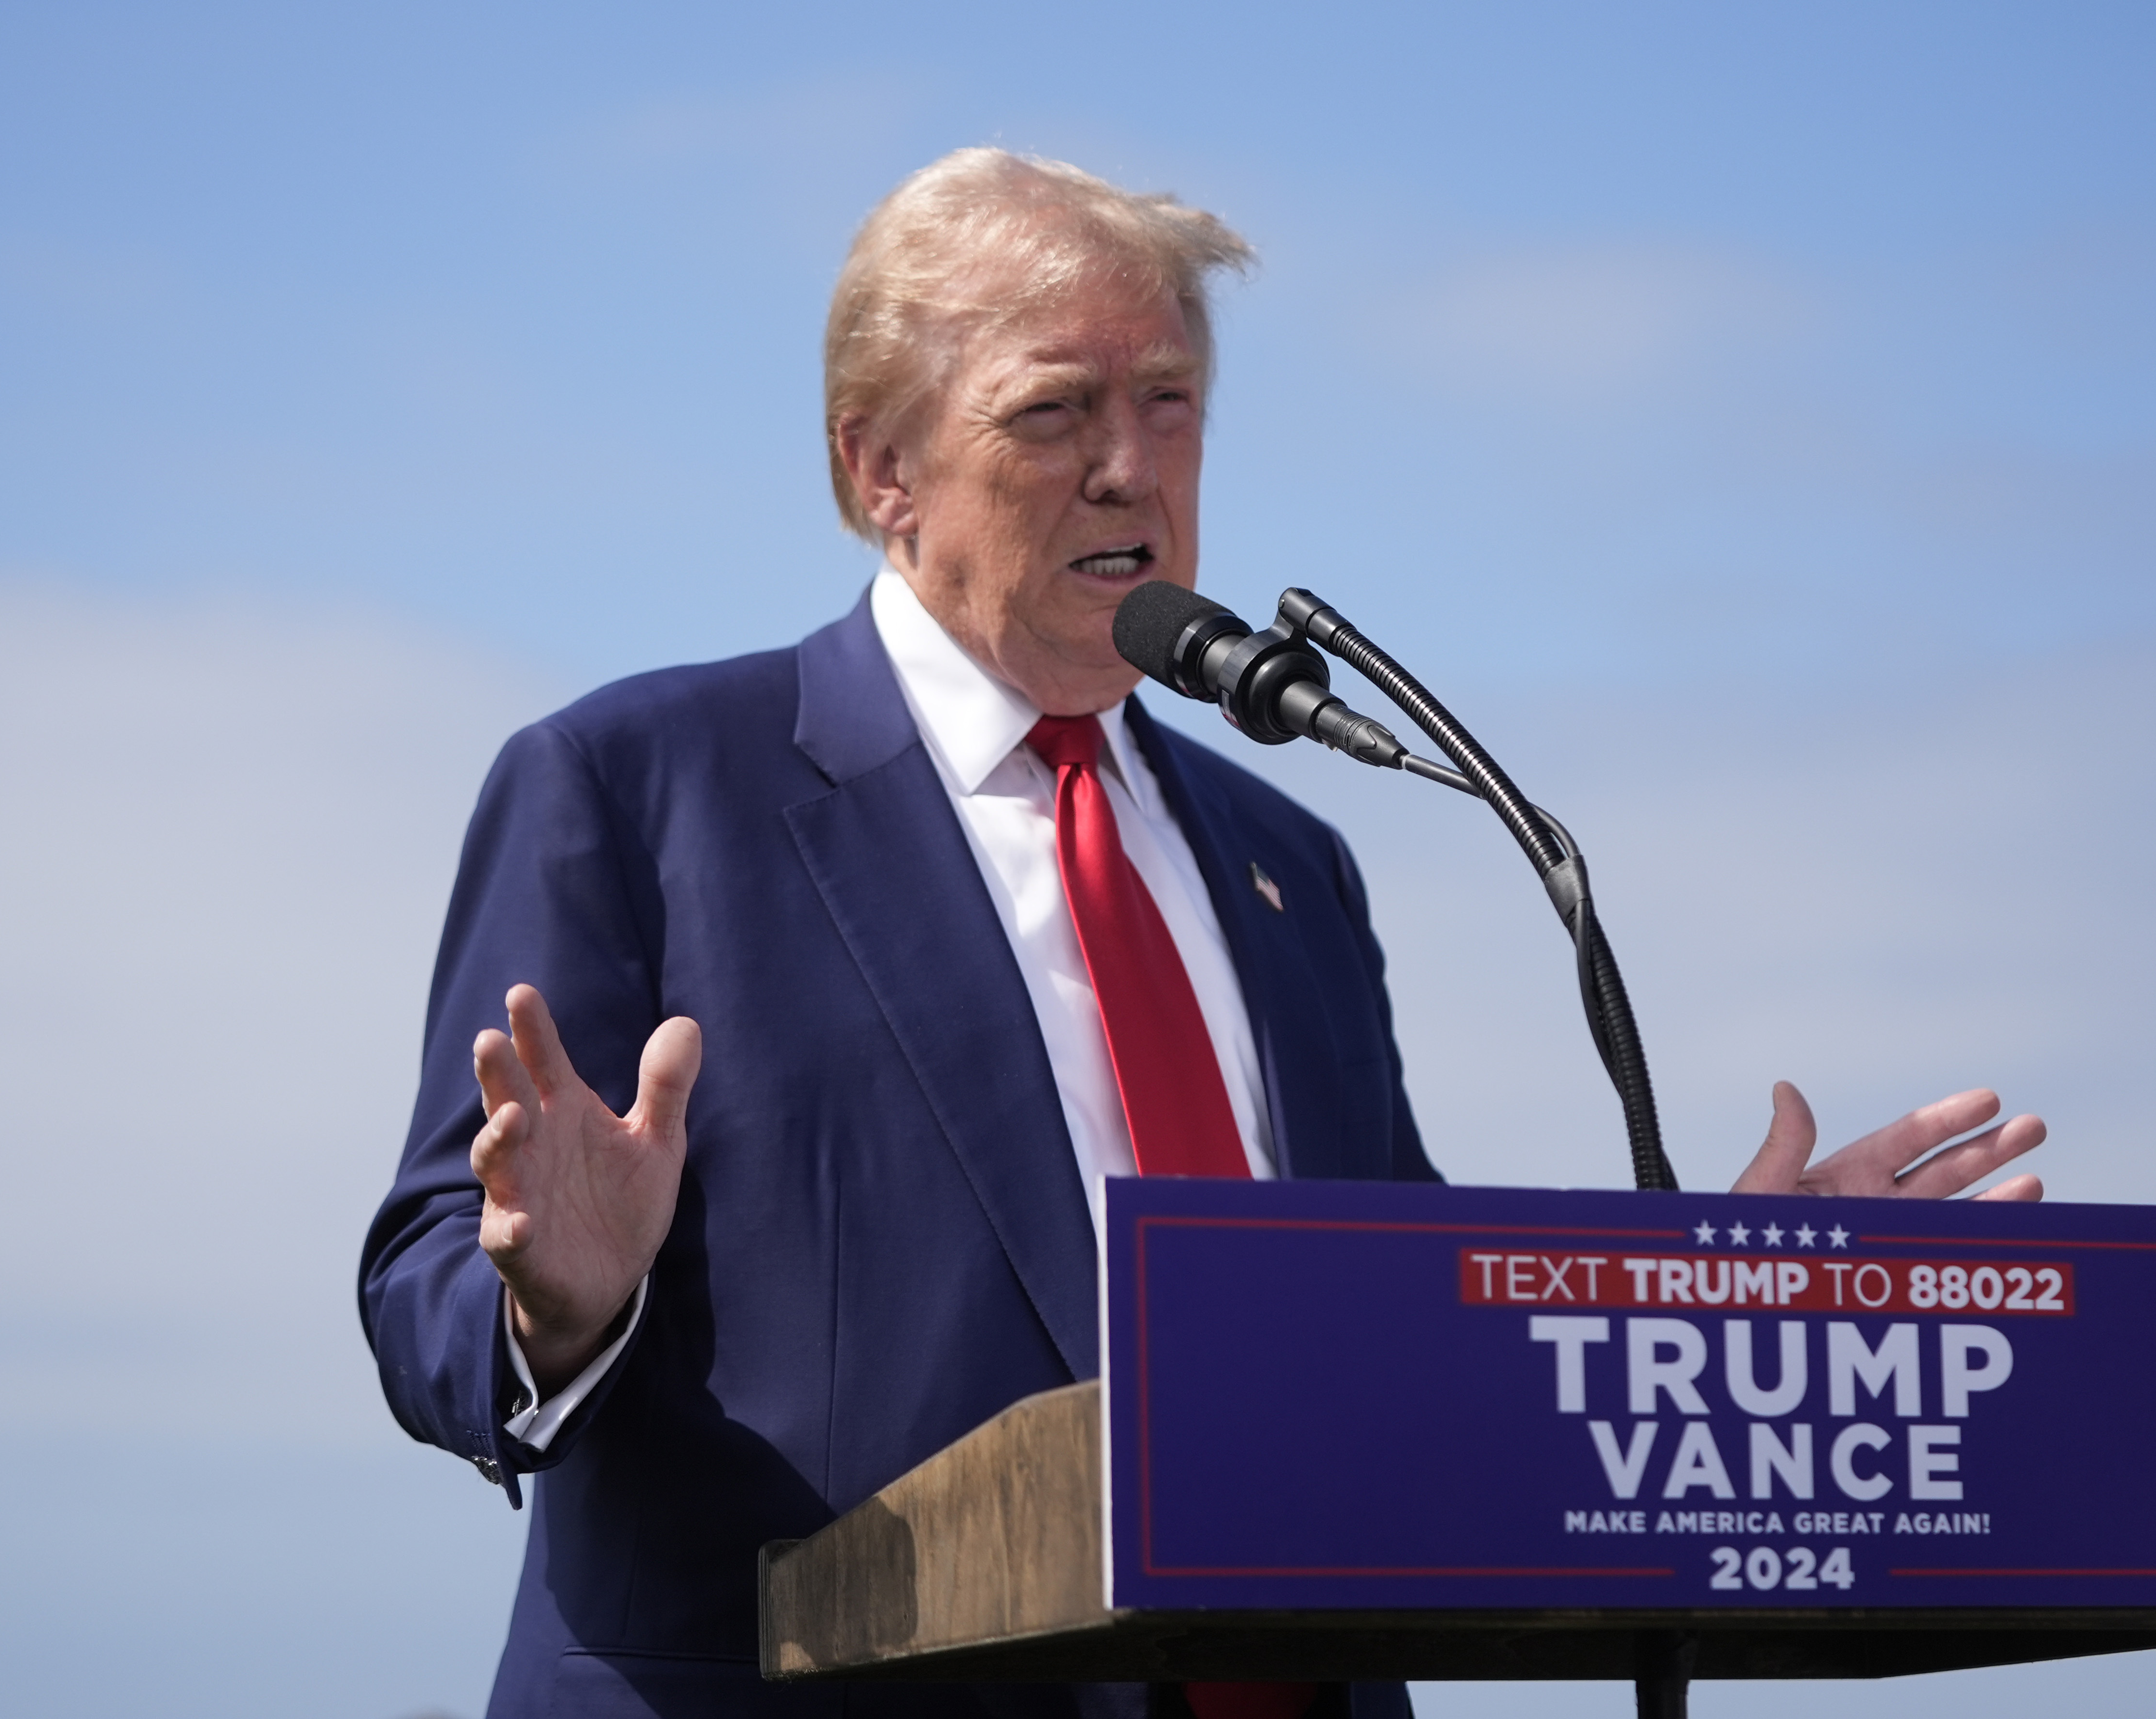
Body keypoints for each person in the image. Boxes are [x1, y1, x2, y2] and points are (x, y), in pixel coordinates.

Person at [359, 148, 2045, 1719]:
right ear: (881, 466)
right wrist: (552, 1311)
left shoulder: (1288, 861)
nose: (1129, 464)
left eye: (1171, 406)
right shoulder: (637, 788)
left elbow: (1401, 1319)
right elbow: (434, 1273)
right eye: (1056, 411)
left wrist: (1684, 1301)